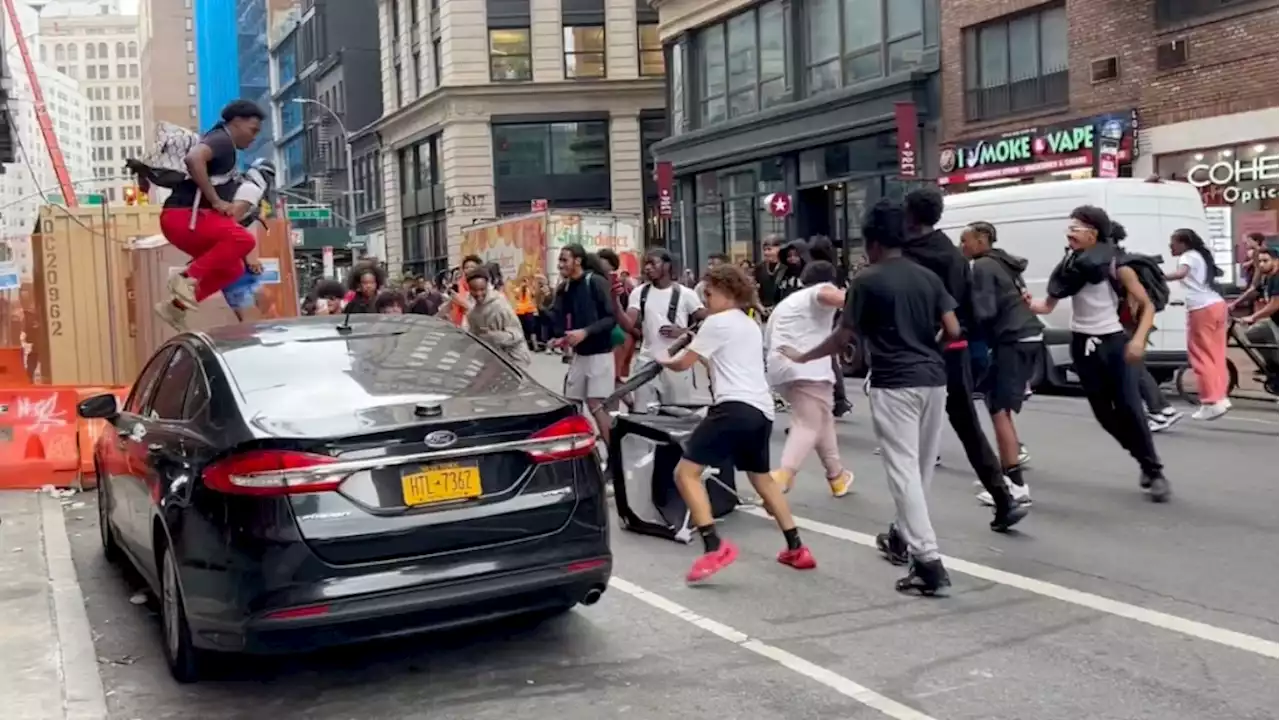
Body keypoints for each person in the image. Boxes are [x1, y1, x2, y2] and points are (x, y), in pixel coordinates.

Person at [782, 200, 962, 594]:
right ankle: (903, 535)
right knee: (920, 468)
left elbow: (844, 337)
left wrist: (804, 356)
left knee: (903, 470)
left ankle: (928, 560)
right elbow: (952, 328)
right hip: (933, 378)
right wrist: (925, 347)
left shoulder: (867, 280)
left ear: (873, 241)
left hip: (894, 381)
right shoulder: (928, 277)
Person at [655, 263, 815, 583]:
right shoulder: (748, 324)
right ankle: (796, 546)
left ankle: (714, 546)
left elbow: (682, 363)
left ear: (726, 293)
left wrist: (662, 359)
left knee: (685, 474)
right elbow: (721, 360)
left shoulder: (717, 323)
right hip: (761, 411)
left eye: (710, 293)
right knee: (762, 480)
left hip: (733, 407)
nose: (707, 299)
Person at [1025, 205, 1171, 502]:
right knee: (1104, 415)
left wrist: (1139, 340)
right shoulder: (1070, 266)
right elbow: (1047, 306)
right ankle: (1142, 458)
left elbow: (1147, 305)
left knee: (1130, 407)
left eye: (1076, 228)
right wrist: (1026, 301)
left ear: (1093, 234)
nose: (1070, 233)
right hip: (1082, 344)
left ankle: (1154, 471)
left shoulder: (1118, 266)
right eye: (1070, 227)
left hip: (1115, 343)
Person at [901, 187, 1025, 530]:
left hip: (919, 352)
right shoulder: (953, 255)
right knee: (969, 427)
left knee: (909, 443)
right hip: (954, 349)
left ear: (909, 215)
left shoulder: (908, 254)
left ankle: (906, 528)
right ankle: (1004, 498)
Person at [156, 100, 264, 327]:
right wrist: (215, 200)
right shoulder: (222, 140)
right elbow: (193, 158)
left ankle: (175, 308)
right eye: (252, 130)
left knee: (232, 268)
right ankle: (185, 279)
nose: (254, 137)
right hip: (183, 217)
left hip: (183, 221)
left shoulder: (222, 143)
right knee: (243, 239)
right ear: (236, 122)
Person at [961, 222, 1042, 509]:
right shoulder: (1004, 263)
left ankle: (1016, 485)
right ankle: (1006, 473)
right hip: (1027, 335)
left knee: (998, 409)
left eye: (965, 240)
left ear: (982, 240)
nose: (962, 246)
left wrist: (960, 321)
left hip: (1012, 338)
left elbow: (985, 310)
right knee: (997, 403)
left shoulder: (983, 265)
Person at [765, 260, 854, 497]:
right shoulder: (819, 291)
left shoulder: (789, 302)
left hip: (780, 368)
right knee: (808, 423)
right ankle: (784, 474)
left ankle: (837, 476)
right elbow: (835, 296)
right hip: (807, 368)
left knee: (821, 421)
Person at [1109, 222, 1184, 433]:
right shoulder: (1122, 257)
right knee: (1132, 367)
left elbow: (1135, 296)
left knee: (1132, 367)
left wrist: (1133, 324)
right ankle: (1160, 409)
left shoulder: (1120, 263)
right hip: (1133, 320)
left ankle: (1158, 410)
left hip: (1128, 321)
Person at [549, 244, 619, 444]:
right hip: (580, 355)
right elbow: (560, 318)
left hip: (600, 354)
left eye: (564, 260)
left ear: (577, 261)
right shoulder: (567, 287)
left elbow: (610, 319)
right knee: (571, 404)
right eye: (560, 260)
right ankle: (577, 454)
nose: (560, 264)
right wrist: (562, 339)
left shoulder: (595, 282)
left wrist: (585, 332)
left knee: (595, 403)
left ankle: (614, 458)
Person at [625, 248, 705, 410]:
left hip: (676, 363)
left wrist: (683, 332)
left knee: (677, 413)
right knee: (643, 414)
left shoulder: (686, 294)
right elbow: (628, 323)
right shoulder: (639, 293)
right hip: (647, 361)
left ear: (667, 266)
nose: (647, 268)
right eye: (645, 264)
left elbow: (707, 322)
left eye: (653, 263)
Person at [1165, 228, 1230, 420]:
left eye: (1173, 242)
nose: (1170, 246)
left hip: (1201, 308)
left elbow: (1180, 273)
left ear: (1183, 243)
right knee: (1216, 354)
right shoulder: (1200, 256)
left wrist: (1158, 276)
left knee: (1200, 356)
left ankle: (1210, 401)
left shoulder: (1188, 256)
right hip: (1216, 304)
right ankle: (1221, 397)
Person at [467, 270, 533, 366]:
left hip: (515, 360)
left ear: (487, 287)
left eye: (482, 289)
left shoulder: (500, 305)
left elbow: (517, 335)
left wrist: (493, 336)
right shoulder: (473, 313)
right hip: (493, 362)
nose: (478, 293)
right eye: (474, 289)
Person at [1237, 246, 1280, 375]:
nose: (1261, 265)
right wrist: (1234, 304)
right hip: (1274, 320)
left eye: (1265, 261)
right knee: (1253, 333)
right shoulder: (1268, 277)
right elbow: (1254, 291)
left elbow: (1275, 305)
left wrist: (1253, 317)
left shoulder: (1278, 278)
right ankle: (1272, 365)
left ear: (1276, 260)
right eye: (1259, 261)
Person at [448, 255, 483, 326]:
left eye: (472, 267)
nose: (469, 269)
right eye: (466, 267)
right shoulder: (459, 285)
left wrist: (461, 302)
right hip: (459, 325)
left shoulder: (482, 286)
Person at [754, 236, 783, 308]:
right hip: (764, 308)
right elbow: (754, 287)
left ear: (779, 249)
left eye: (769, 249)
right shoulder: (759, 267)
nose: (766, 252)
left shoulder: (785, 267)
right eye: (764, 250)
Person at [513, 278, 539, 350]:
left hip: (527, 311)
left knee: (531, 330)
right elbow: (517, 297)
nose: (524, 283)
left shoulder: (529, 290)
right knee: (524, 329)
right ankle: (527, 346)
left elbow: (534, 295)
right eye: (523, 281)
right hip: (521, 312)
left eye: (525, 281)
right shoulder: (518, 290)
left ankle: (534, 345)